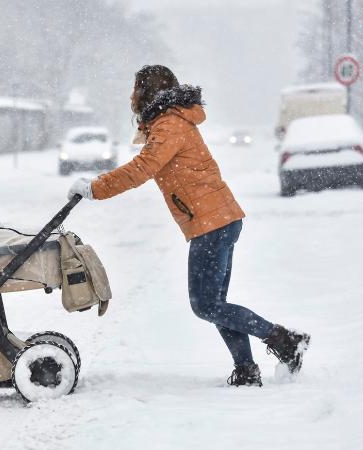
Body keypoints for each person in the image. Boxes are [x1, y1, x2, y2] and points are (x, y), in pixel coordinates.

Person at [67, 65, 310, 387]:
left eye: (135, 89)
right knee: (216, 305)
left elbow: (142, 168)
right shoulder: (170, 121)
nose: (130, 95)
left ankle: (284, 339)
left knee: (206, 305)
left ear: (147, 91)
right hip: (218, 220)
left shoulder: (169, 125)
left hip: (211, 223)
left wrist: (94, 188)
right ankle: (247, 369)